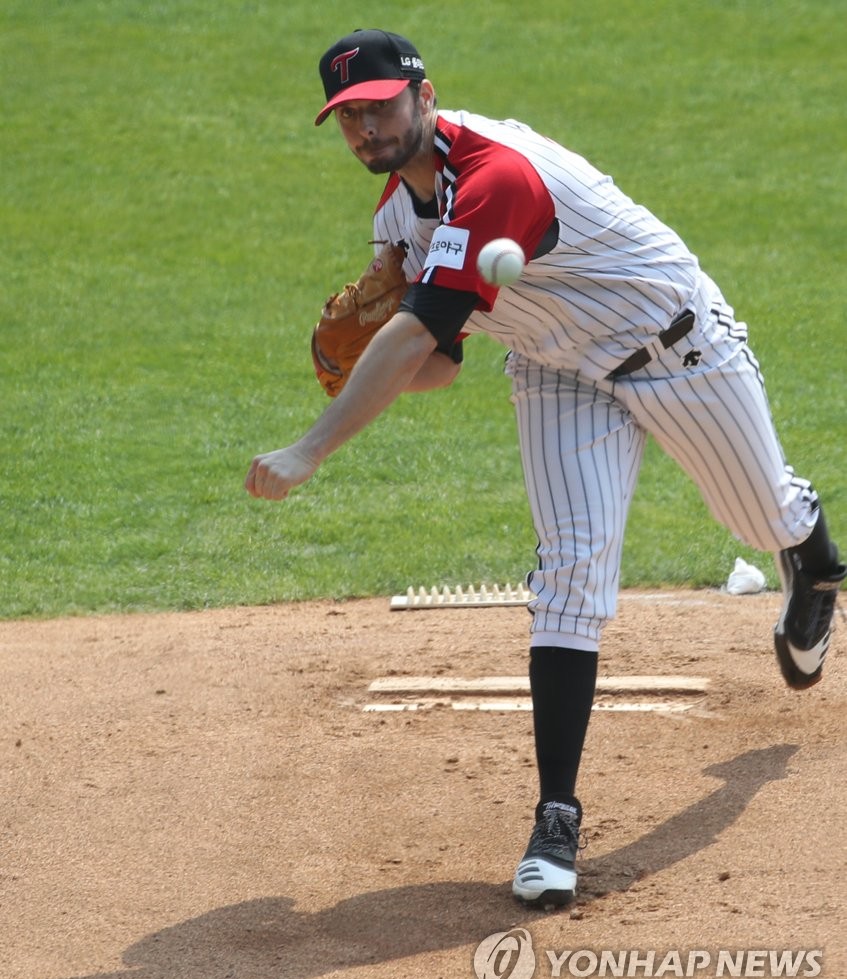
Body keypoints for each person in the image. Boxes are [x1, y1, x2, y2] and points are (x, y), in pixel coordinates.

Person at [245, 29, 844, 906]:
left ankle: (813, 558)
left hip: (675, 353)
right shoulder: (398, 214)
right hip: (555, 371)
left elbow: (414, 335)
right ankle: (555, 818)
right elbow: (440, 362)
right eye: (347, 118)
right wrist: (355, 359)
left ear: (422, 95)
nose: (365, 129)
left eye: (378, 107)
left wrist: (310, 447)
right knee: (570, 573)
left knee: (759, 517)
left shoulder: (497, 179)